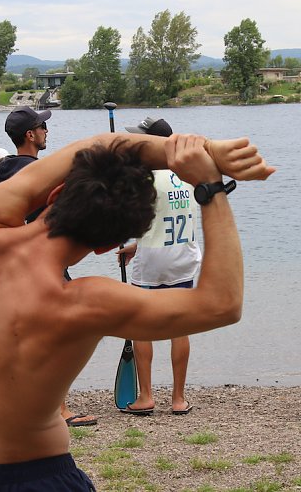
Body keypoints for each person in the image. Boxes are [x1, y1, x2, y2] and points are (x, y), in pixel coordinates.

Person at [0, 132, 273, 490]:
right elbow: (222, 305)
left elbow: (95, 146)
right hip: (41, 479)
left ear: (56, 195)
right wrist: (209, 187)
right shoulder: (85, 302)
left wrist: (199, 149)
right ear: (108, 246)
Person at [0, 106, 97, 428]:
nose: (46, 132)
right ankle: (59, 411)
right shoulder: (35, 176)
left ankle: (23, 403)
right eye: (42, 127)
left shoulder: (3, 172)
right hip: (43, 262)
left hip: (12, 263)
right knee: (57, 336)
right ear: (30, 134)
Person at [117, 117, 201, 416]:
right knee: (180, 327)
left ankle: (146, 396)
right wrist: (134, 245)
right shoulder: (190, 176)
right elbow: (165, 221)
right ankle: (178, 399)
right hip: (182, 258)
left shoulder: (143, 180)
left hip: (152, 261)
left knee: (143, 327)